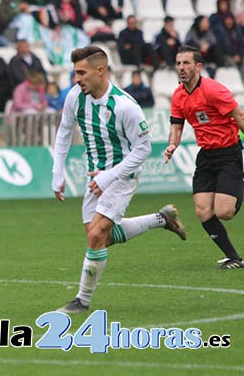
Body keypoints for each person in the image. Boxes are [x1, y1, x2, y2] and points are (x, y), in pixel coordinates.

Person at [52, 45, 187, 313]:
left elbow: (144, 148)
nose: (76, 79)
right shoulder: (75, 97)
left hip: (123, 173)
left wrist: (110, 176)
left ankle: (82, 300)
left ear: (100, 70)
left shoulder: (125, 106)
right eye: (75, 72)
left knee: (96, 235)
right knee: (103, 238)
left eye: (82, 72)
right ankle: (160, 219)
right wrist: (58, 172)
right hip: (96, 175)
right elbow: (64, 131)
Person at [164, 46, 244, 269]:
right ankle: (234, 258)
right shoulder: (178, 95)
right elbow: (176, 126)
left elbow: (239, 115)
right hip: (206, 155)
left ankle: (240, 181)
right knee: (202, 210)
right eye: (178, 63)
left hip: (229, 152)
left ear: (198, 66)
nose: (181, 67)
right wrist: (172, 145)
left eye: (186, 63)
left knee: (224, 212)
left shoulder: (213, 90)